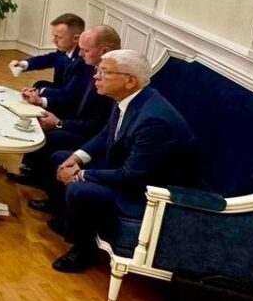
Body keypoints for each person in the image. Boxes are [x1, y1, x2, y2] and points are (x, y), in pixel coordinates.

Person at [44, 49, 194, 273]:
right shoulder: (128, 97)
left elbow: (132, 177)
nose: (96, 76)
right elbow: (106, 134)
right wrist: (76, 158)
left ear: (129, 80)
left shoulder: (154, 121)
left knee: (79, 189)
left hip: (147, 192)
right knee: (61, 158)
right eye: (98, 70)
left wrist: (79, 174)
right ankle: (68, 219)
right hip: (125, 167)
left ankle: (83, 249)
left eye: (104, 72)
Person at [9, 25, 119, 194]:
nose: (80, 54)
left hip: (91, 134)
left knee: (51, 136)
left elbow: (96, 126)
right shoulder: (91, 66)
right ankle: (31, 172)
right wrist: (42, 104)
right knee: (41, 119)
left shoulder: (112, 82)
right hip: (80, 119)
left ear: (104, 51)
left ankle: (41, 182)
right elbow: (75, 99)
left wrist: (59, 123)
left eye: (85, 50)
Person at [9, 13, 87, 111]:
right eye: (54, 36)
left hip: (71, 104)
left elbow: (69, 95)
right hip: (62, 91)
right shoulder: (64, 50)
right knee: (39, 83)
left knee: (39, 88)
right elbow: (49, 59)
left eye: (58, 37)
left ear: (76, 38)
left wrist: (40, 93)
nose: (54, 40)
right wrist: (23, 64)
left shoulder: (83, 60)